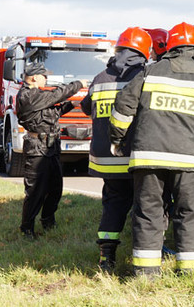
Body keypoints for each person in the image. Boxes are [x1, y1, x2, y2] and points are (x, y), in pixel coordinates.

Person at [109, 22, 194, 276]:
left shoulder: (149, 72)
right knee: (190, 214)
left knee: (148, 213)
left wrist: (117, 138)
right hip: (190, 162)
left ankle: (145, 274)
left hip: (148, 158)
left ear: (170, 47)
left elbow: (123, 106)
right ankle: (189, 273)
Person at [80, 27, 151, 272]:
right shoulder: (145, 75)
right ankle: (147, 256)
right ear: (144, 52)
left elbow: (85, 107)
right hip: (135, 158)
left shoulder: (100, 78)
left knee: (112, 206)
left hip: (106, 160)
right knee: (146, 206)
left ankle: (106, 259)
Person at [16, 63, 87, 238]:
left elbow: (51, 114)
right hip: (37, 148)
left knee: (56, 188)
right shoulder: (28, 95)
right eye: (44, 76)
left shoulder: (38, 96)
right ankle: (27, 229)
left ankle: (48, 221)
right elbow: (57, 94)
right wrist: (78, 84)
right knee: (35, 191)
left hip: (51, 146)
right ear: (34, 77)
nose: (46, 79)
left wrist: (71, 104)